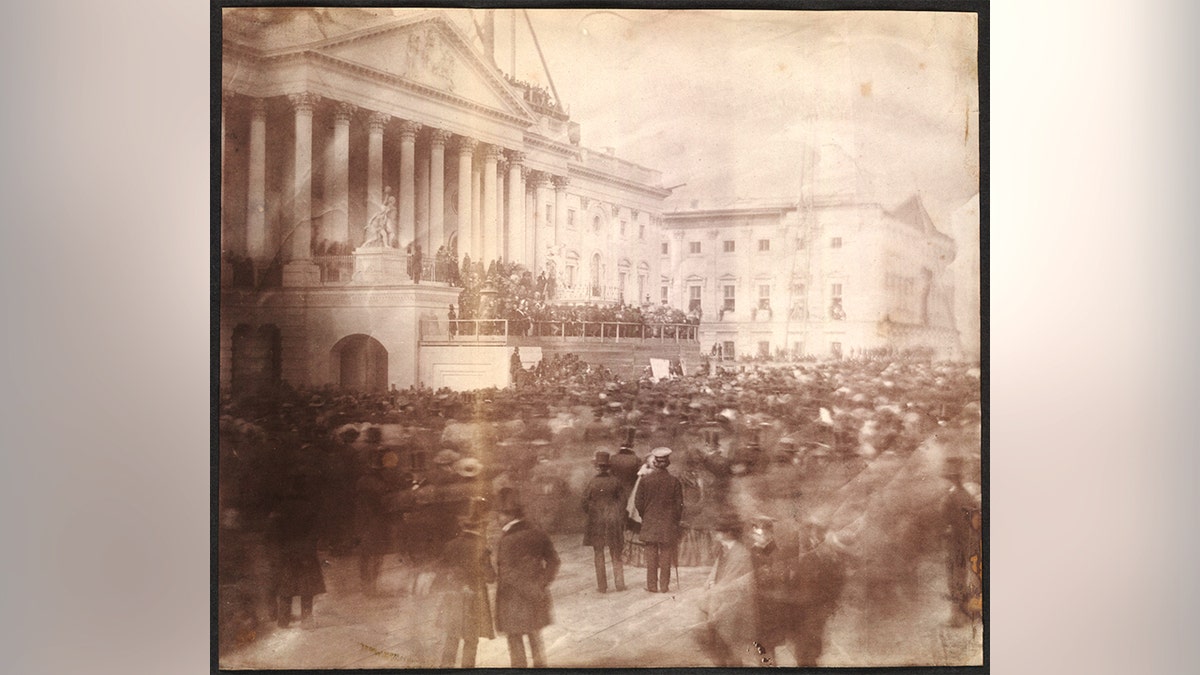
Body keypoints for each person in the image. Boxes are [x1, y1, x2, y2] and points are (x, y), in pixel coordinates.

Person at [494, 488, 560, 668]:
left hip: (513, 601)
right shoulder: (537, 532)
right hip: (536, 596)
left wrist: (528, 589)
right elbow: (554, 561)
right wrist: (541, 585)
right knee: (535, 638)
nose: (497, 519)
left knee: (515, 642)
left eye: (499, 514)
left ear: (508, 515)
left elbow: (507, 573)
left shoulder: (507, 540)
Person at [433, 503, 496, 668]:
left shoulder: (450, 545)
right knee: (471, 640)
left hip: (453, 598)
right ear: (481, 527)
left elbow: (439, 569)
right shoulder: (481, 547)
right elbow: (490, 577)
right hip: (473, 601)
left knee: (452, 638)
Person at [694, 513, 758, 667]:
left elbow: (735, 581)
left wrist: (714, 591)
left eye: (719, 531)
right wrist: (707, 588)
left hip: (733, 607)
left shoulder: (741, 554)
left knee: (731, 648)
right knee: (717, 646)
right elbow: (715, 573)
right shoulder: (724, 550)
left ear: (729, 533)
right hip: (720, 604)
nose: (716, 534)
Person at [267, 471, 327, 628]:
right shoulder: (310, 507)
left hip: (286, 551)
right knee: (307, 587)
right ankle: (306, 620)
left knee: (286, 586)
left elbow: (274, 531)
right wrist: (310, 544)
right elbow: (317, 530)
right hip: (305, 550)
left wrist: (279, 548)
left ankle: (283, 620)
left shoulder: (281, 507)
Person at [634, 447, 684, 593]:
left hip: (650, 522)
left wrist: (646, 516)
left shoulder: (645, 481)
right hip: (668, 524)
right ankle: (664, 586)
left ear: (655, 462)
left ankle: (652, 586)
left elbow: (638, 503)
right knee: (667, 554)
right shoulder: (674, 481)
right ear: (668, 463)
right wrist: (674, 520)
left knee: (651, 555)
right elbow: (679, 505)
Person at [582, 451, 626, 593]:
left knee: (598, 553)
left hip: (596, 521)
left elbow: (584, 502)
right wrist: (616, 512)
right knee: (616, 552)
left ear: (597, 467)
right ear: (608, 467)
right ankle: (619, 584)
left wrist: (592, 511)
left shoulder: (592, 482)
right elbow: (623, 501)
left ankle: (602, 586)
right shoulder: (616, 481)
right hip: (612, 520)